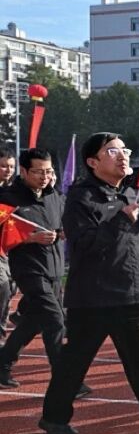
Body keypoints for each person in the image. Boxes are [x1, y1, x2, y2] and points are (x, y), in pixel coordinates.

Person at [40, 133, 139, 434]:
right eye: (112, 151)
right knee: (75, 363)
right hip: (93, 297)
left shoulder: (129, 191)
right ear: (93, 162)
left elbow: (138, 236)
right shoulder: (81, 197)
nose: (123, 155)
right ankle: (53, 417)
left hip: (131, 292)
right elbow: (84, 244)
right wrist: (122, 221)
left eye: (124, 150)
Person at [0, 149, 90, 398]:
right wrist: (29, 238)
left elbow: (66, 223)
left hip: (55, 269)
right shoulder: (7, 199)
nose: (44, 177)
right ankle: (66, 381)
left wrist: (63, 232)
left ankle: (3, 362)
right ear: (24, 171)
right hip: (28, 269)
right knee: (55, 320)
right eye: (38, 172)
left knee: (34, 321)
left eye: (48, 171)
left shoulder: (55, 196)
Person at [0, 147, 16, 342]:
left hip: (11, 248)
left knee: (10, 289)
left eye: (11, 166)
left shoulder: (12, 192)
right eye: (3, 166)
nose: (8, 170)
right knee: (2, 286)